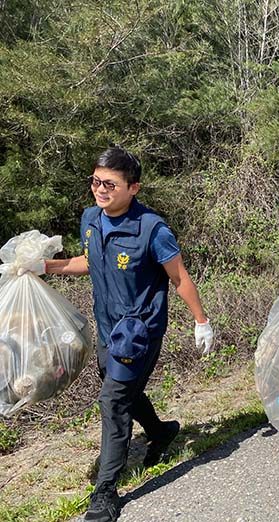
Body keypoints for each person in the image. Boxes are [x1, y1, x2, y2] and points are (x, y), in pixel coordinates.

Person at [32, 146, 215, 522]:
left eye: (110, 184)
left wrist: (201, 321)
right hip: (107, 324)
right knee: (119, 389)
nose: (100, 190)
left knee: (113, 401)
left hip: (140, 331)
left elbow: (178, 277)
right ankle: (161, 432)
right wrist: (42, 266)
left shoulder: (152, 229)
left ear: (134, 188)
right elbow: (87, 261)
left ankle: (105, 492)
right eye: (96, 182)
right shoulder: (90, 219)